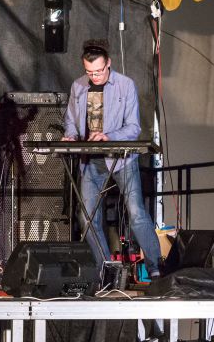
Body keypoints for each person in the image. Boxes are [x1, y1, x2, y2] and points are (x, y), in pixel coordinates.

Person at [62, 39, 162, 278]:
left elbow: (133, 127)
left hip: (121, 159)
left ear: (108, 63)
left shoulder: (125, 85)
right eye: (89, 72)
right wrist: (71, 136)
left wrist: (108, 136)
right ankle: (107, 270)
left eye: (98, 71)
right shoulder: (78, 86)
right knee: (87, 217)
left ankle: (156, 267)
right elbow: (71, 120)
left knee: (136, 212)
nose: (94, 76)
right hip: (91, 161)